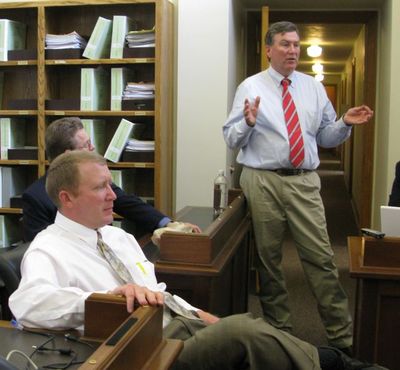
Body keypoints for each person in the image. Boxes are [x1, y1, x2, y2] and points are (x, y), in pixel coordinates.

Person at [10, 151, 385, 370]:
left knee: (242, 331)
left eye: (111, 184)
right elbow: (27, 304)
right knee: (244, 332)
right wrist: (105, 299)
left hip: (178, 324)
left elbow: (160, 292)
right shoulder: (48, 248)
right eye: (100, 188)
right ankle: (339, 365)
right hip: (145, 350)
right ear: (67, 198)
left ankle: (333, 362)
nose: (113, 195)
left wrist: (201, 316)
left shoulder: (118, 236)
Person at [223, 21, 374, 354]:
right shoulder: (250, 87)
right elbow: (231, 138)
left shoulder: (313, 88)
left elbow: (324, 136)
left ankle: (341, 339)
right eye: (285, 44)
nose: (292, 51)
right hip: (262, 180)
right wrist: (247, 123)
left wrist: (344, 124)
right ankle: (282, 336)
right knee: (269, 261)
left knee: (321, 258)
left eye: (296, 45)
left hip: (304, 181)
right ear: (269, 50)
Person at [22, 117, 200, 242]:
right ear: (69, 155)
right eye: (87, 145)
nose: (93, 148)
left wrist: (169, 225)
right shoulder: (36, 197)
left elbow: (129, 203)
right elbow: (41, 251)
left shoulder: (97, 181)